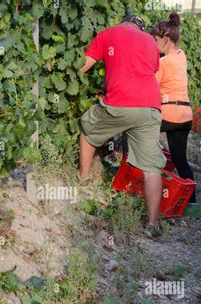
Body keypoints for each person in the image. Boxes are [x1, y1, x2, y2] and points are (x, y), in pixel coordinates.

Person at [78, 15, 165, 238]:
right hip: (150, 107)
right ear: (140, 27)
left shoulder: (108, 33)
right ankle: (153, 225)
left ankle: (83, 178)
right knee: (152, 167)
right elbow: (149, 71)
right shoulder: (150, 42)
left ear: (123, 22)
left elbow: (84, 65)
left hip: (121, 102)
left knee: (88, 129)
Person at [150, 12, 196, 204]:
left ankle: (135, 168)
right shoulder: (181, 55)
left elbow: (151, 88)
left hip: (169, 115)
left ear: (166, 39)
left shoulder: (164, 62)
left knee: (135, 127)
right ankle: (191, 201)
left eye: (155, 39)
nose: (153, 43)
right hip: (185, 116)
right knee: (180, 160)